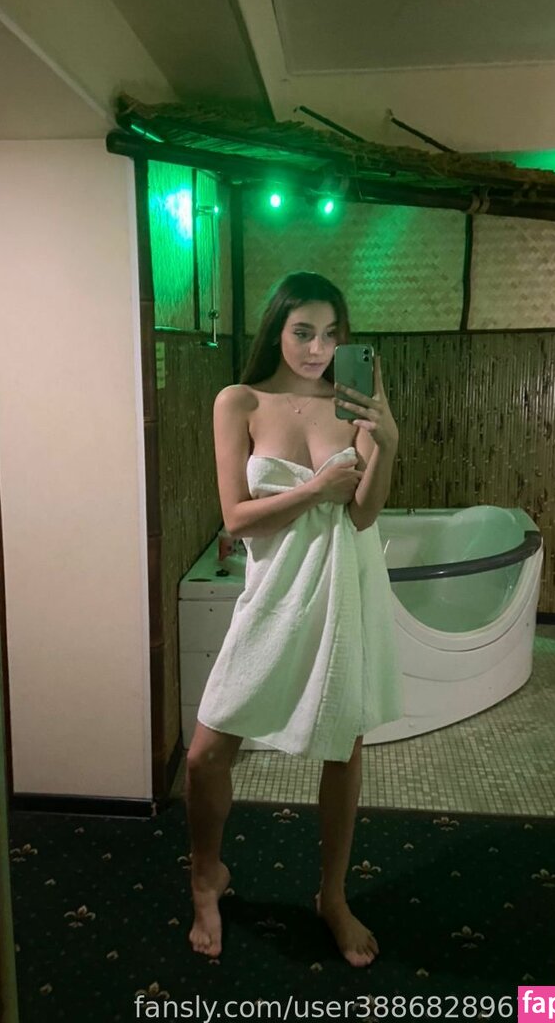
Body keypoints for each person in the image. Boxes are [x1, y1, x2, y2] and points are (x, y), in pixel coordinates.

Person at [185, 271, 402, 968]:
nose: (317, 348)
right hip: (274, 593)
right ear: (276, 329)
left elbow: (362, 515)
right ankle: (206, 875)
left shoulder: (353, 403)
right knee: (205, 754)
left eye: (331, 334)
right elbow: (235, 519)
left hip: (344, 589)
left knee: (343, 748)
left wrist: (387, 441)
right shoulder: (240, 401)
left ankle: (332, 897)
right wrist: (316, 489)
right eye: (303, 331)